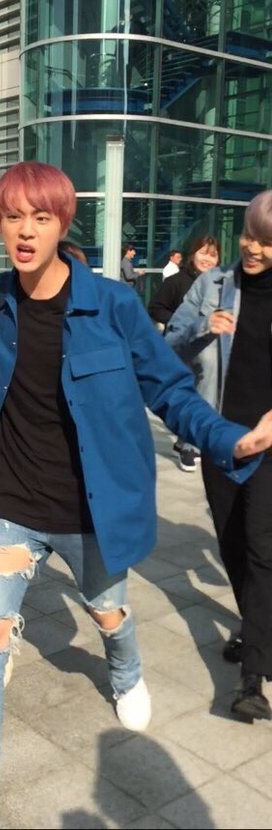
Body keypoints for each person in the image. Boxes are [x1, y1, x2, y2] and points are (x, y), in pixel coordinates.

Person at [0, 161, 272, 830]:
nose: (25, 231)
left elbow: (170, 389)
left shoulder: (114, 304)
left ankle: (124, 668)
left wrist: (230, 441)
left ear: (63, 223)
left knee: (108, 613)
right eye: (12, 217)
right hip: (6, 506)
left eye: (41, 217)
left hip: (88, 510)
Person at [165, 189, 272, 722]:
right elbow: (169, 347)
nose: (252, 247)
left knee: (261, 546)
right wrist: (203, 329)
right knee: (231, 544)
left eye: (266, 242)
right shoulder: (213, 286)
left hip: (270, 440)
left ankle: (252, 677)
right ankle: (257, 628)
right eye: (249, 235)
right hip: (220, 437)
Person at [148, 236, 221, 472]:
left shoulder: (220, 284)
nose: (208, 259)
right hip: (181, 345)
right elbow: (155, 308)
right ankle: (191, 444)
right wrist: (180, 324)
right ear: (192, 254)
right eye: (203, 252)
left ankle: (186, 441)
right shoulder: (177, 281)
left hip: (209, 343)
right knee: (205, 378)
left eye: (213, 255)